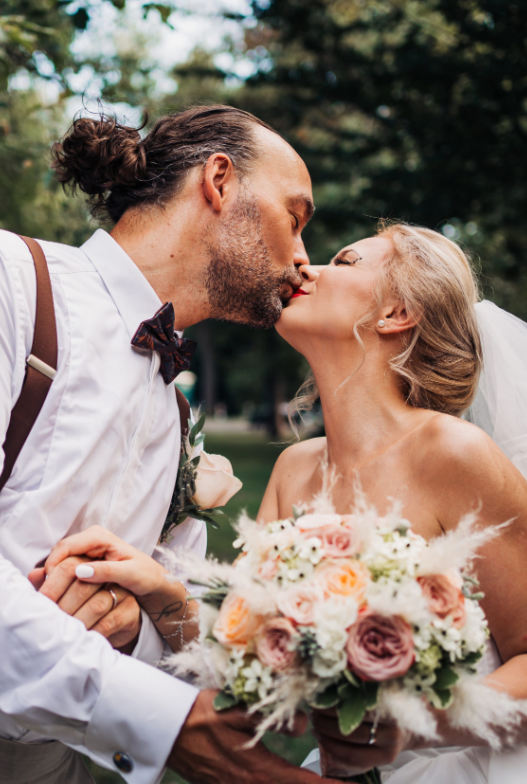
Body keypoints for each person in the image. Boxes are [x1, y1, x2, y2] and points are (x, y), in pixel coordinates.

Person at [44, 222, 527, 783]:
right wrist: (160, 590)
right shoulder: (294, 469)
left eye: (344, 261)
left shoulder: (454, 454)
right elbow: (242, 660)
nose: (306, 269)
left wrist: (412, 725)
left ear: (397, 313)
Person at [0, 105, 342, 784]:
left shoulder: (179, 419)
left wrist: (134, 624)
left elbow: (178, 638)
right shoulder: (13, 282)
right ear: (219, 180)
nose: (304, 259)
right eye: (294, 217)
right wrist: (168, 723)